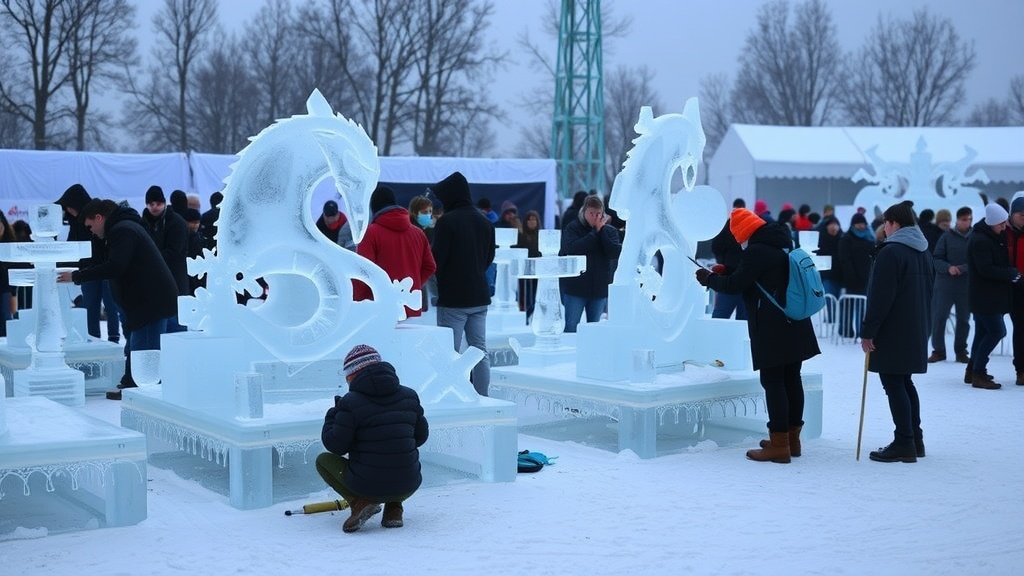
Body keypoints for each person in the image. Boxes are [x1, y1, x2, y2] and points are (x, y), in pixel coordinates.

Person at [696, 208, 820, 463]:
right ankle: (791, 440)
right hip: (795, 321)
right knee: (791, 379)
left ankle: (779, 444)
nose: (738, 243)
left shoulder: (756, 251)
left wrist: (709, 278)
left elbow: (735, 285)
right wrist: (727, 269)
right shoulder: (783, 243)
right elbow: (755, 273)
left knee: (773, 381)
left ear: (743, 232)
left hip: (772, 327)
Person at [57, 199, 179, 400]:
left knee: (144, 352)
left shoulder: (122, 230)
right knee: (138, 346)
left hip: (149, 303)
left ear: (99, 217)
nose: (91, 232)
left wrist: (77, 276)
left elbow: (115, 266)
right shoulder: (125, 228)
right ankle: (132, 384)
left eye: (90, 226)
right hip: (150, 301)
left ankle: (137, 392)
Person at [316, 344, 428, 533]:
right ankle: (394, 509)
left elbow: (335, 446)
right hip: (409, 482)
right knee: (395, 454)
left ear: (352, 375)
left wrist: (333, 414)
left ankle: (360, 503)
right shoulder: (409, 395)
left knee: (323, 461)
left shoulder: (350, 403)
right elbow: (421, 437)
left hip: (368, 485)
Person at [858, 201, 933, 463]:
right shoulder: (923, 250)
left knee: (894, 382)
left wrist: (868, 331)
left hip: (894, 329)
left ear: (895, 224)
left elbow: (880, 298)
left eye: (886, 223)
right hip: (916, 327)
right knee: (904, 381)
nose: (883, 228)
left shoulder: (891, 253)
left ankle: (904, 442)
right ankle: (915, 439)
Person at [430, 171, 495, 396]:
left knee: (450, 353)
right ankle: (482, 396)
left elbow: (437, 260)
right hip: (479, 297)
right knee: (479, 351)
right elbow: (489, 258)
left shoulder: (446, 222)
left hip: (453, 299)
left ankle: (452, 396)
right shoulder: (485, 222)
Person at [354, 185, 436, 319]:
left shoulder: (370, 233)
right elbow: (430, 266)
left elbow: (364, 272)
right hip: (410, 308)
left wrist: (357, 302)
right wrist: (412, 285)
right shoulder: (418, 233)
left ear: (373, 207)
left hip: (378, 309)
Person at [55, 183, 122, 343]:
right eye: (67, 208)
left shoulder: (97, 216)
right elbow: (72, 245)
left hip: (105, 268)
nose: (69, 211)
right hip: (87, 271)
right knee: (90, 306)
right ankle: (93, 337)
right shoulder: (75, 222)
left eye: (71, 207)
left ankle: (113, 337)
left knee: (111, 305)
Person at [966, 203, 1020, 389]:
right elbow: (985, 269)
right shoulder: (981, 240)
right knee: (998, 332)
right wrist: (1010, 273)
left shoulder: (991, 236)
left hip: (985, 296)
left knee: (982, 333)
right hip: (985, 297)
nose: (1005, 227)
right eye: (1001, 224)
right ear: (991, 223)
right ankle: (978, 374)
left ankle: (972, 370)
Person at [559, 194, 622, 333]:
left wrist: (602, 231)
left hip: (599, 289)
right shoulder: (573, 228)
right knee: (571, 326)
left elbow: (613, 253)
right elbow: (573, 249)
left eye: (598, 213)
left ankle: (592, 354)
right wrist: (594, 233)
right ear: (584, 212)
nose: (595, 217)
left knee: (594, 329)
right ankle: (570, 352)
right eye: (591, 213)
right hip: (576, 288)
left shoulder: (610, 231)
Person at [928, 207, 972, 364]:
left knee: (964, 320)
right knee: (939, 317)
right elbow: (936, 258)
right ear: (958, 220)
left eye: (969, 219)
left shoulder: (974, 238)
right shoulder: (946, 237)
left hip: (965, 285)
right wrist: (948, 268)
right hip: (945, 285)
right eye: (964, 219)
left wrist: (963, 268)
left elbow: (977, 261)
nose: (967, 222)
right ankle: (938, 351)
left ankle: (961, 351)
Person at [837, 212, 875, 338]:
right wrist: (851, 277)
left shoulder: (868, 239)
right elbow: (845, 260)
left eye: (863, 223)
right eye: (858, 223)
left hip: (865, 279)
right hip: (850, 280)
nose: (861, 226)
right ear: (853, 225)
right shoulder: (846, 239)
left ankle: (861, 331)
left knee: (862, 308)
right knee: (848, 307)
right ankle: (846, 330)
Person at [710, 199, 748, 320]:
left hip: (728, 276)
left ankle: (715, 337)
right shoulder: (749, 226)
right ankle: (740, 338)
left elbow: (716, 246)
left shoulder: (727, 225)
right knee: (744, 318)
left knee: (720, 316)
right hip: (746, 278)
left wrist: (723, 262)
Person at [1004, 191, 1024, 386]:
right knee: (1017, 329)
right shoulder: (1004, 232)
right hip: (1009, 286)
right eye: (1021, 214)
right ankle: (1021, 369)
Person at [815, 215, 843, 320]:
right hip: (827, 274)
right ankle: (831, 318)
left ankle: (836, 318)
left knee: (838, 298)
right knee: (829, 296)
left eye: (836, 224)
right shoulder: (822, 239)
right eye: (831, 224)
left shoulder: (842, 239)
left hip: (840, 274)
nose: (834, 227)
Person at [517, 209, 542, 319]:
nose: (532, 222)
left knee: (537, 293)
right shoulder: (521, 236)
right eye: (529, 220)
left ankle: (535, 313)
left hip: (538, 269)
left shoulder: (541, 235)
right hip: (524, 270)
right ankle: (525, 314)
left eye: (534, 220)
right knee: (525, 294)